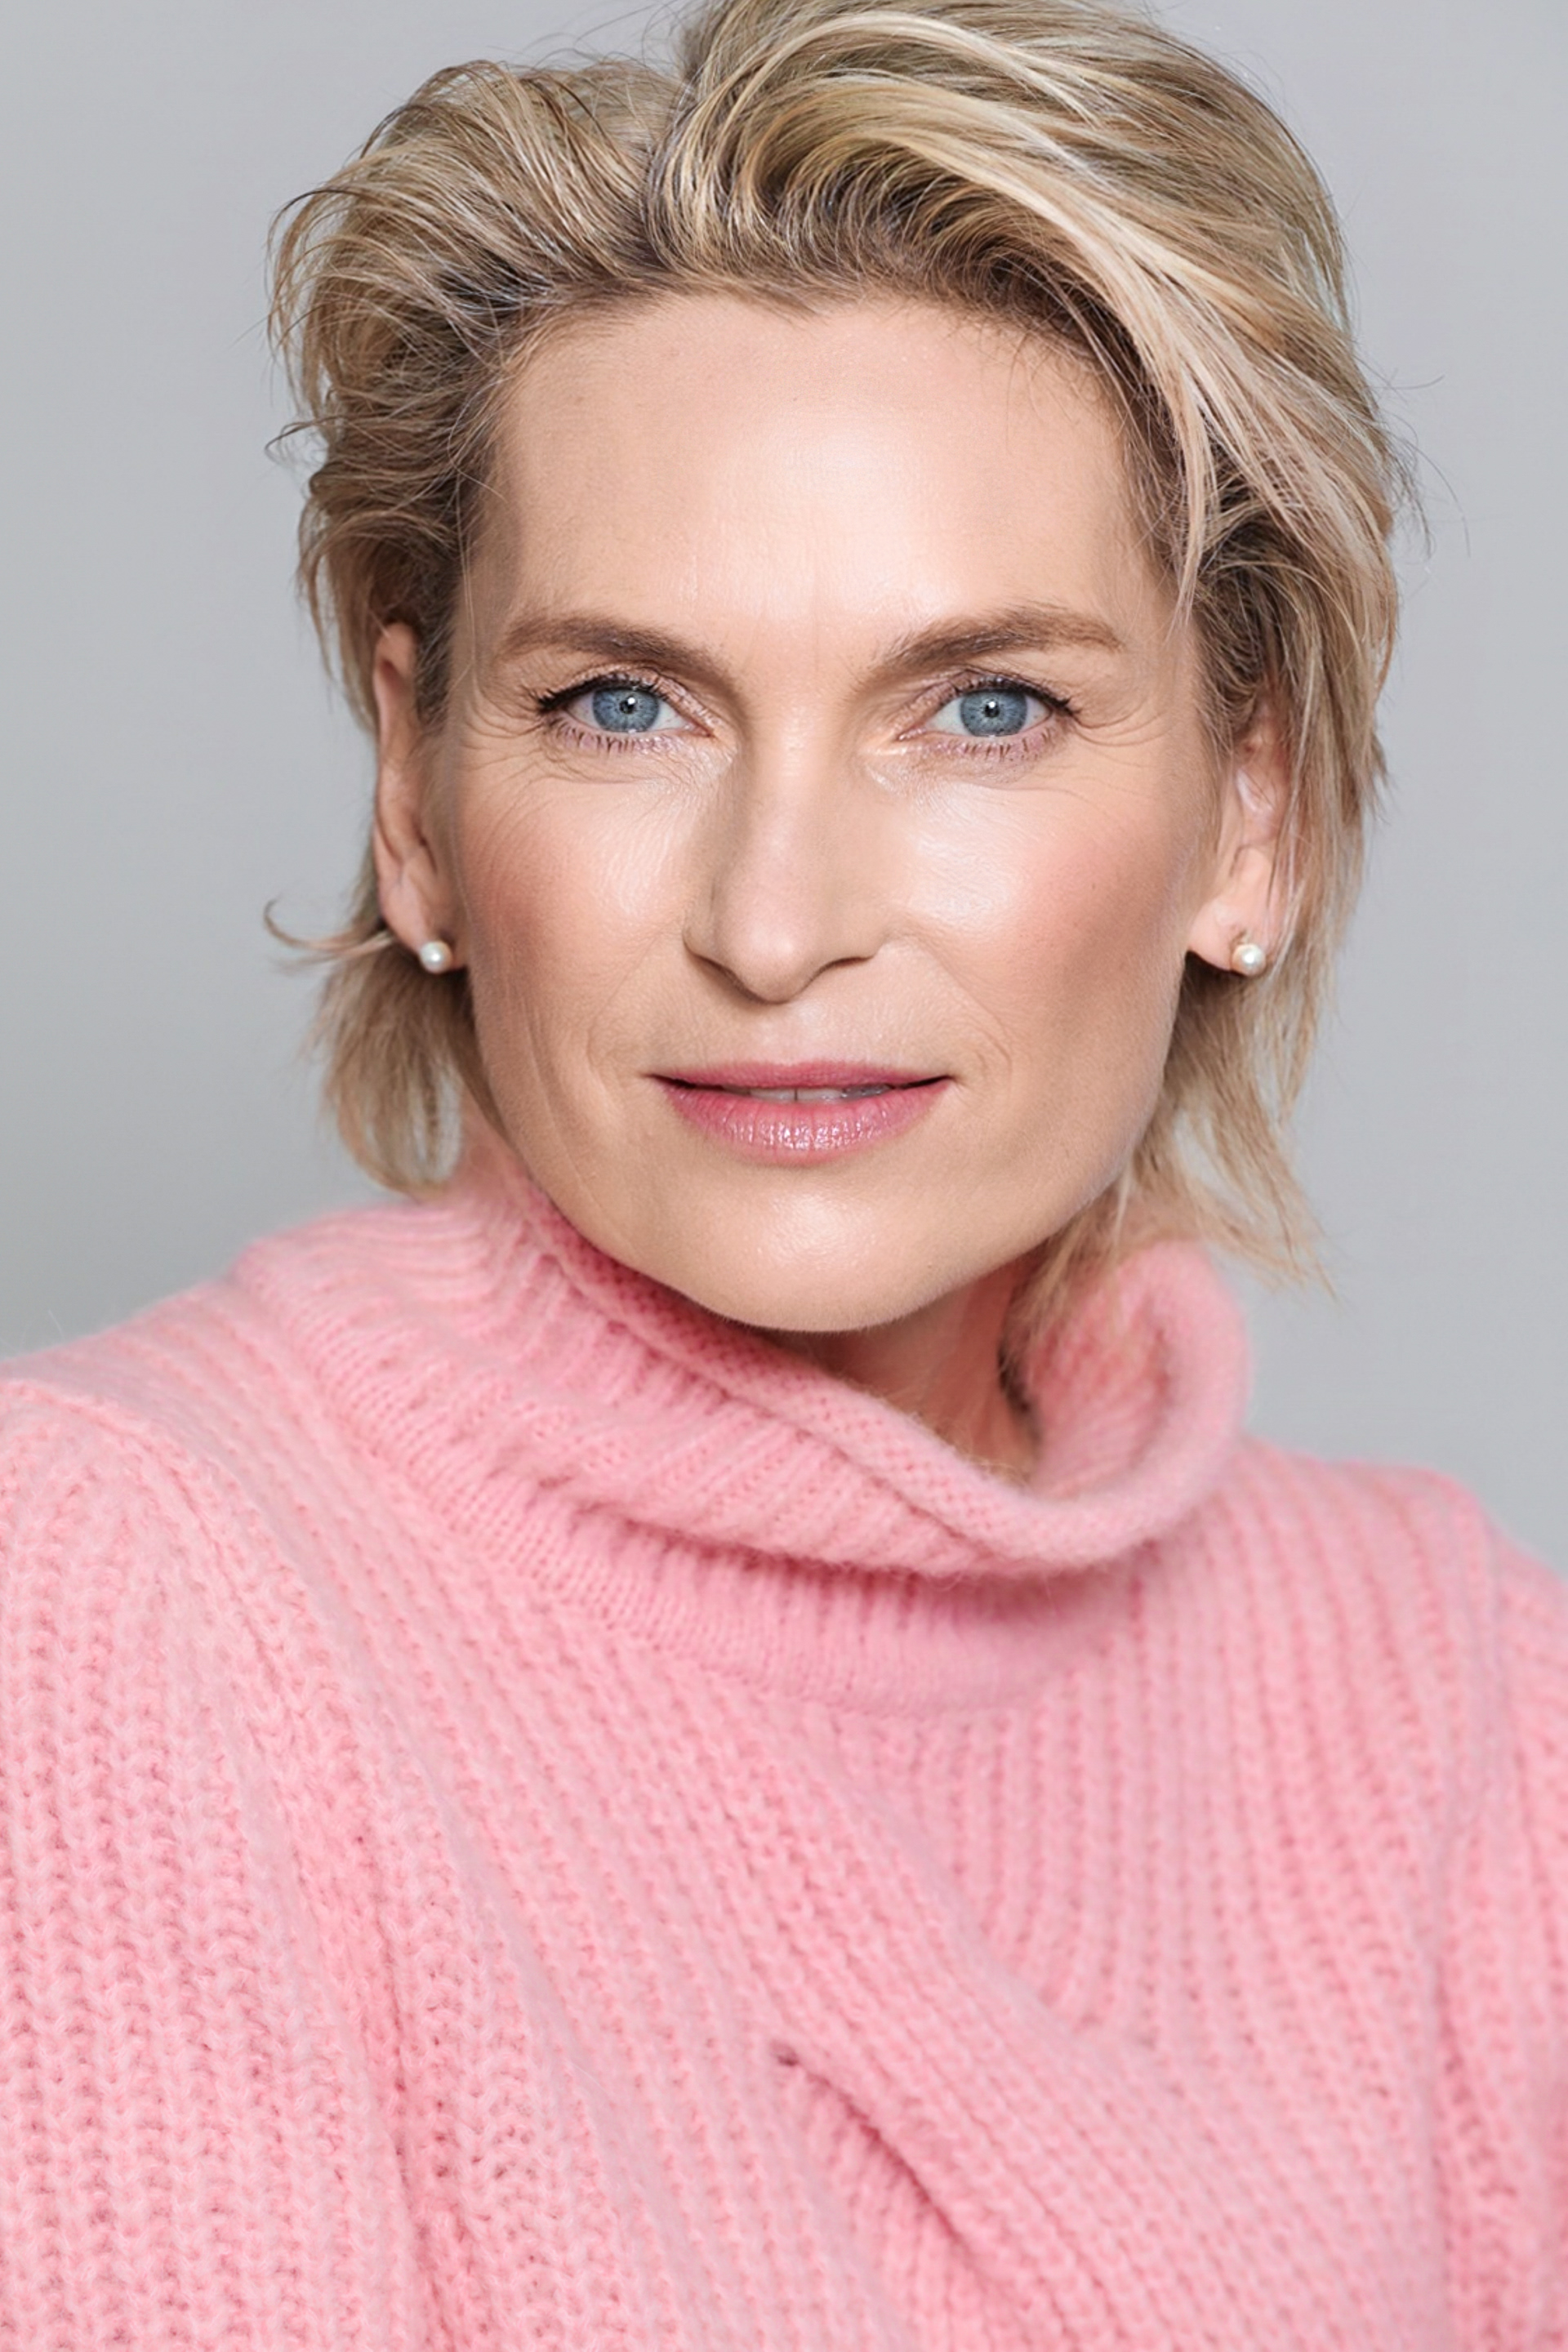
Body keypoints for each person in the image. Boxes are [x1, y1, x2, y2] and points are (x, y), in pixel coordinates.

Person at [2, 0, 1562, 2341]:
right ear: (419, 798)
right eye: (623, 706)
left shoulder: (1457, 1687)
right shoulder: (116, 1599)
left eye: (986, 709)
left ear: (1254, 811)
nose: (774, 918)